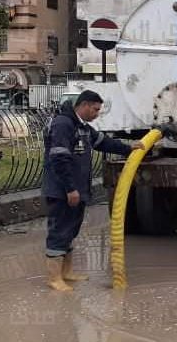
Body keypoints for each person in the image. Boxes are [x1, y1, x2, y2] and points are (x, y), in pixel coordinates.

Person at [42, 90, 144, 291]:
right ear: (85, 105)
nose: (97, 114)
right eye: (96, 109)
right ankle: (54, 279)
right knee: (59, 232)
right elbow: (59, 158)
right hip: (62, 191)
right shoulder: (64, 125)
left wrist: (129, 148)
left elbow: (103, 142)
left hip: (76, 191)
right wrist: (70, 189)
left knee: (70, 231)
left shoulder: (82, 128)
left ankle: (66, 273)